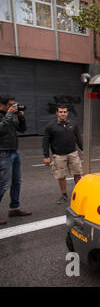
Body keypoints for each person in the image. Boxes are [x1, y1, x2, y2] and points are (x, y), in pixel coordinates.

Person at [0, 94, 31, 225]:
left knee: (16, 181)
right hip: (2, 153)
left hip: (14, 151)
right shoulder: (6, 115)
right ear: (2, 105)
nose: (14, 106)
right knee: (3, 184)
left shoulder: (11, 115)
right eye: (10, 104)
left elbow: (22, 129)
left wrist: (21, 117)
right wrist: (8, 115)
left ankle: (14, 208)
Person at [42, 105, 83, 204]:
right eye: (60, 112)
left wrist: (83, 149)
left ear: (67, 113)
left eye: (64, 112)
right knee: (61, 176)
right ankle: (64, 194)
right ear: (57, 113)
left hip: (73, 153)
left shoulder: (73, 124)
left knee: (77, 173)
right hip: (59, 155)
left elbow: (78, 137)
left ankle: (80, 193)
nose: (63, 114)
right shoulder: (50, 126)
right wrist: (46, 156)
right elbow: (45, 142)